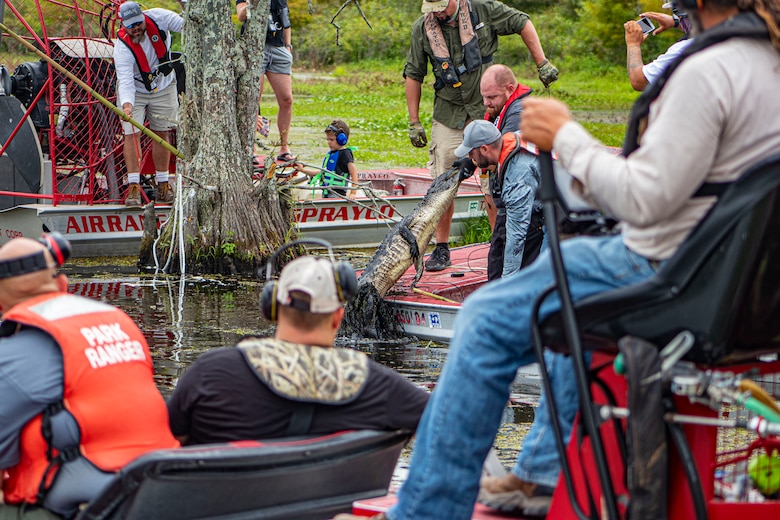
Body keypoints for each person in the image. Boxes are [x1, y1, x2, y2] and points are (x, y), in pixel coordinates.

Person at [336, 0, 780, 516]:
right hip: (743, 294)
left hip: (674, 277)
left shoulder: (707, 70)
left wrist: (566, 137)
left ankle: (426, 509)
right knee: (568, 288)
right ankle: (544, 473)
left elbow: (643, 200)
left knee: (484, 317)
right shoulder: (765, 62)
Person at [0, 233, 178, 519]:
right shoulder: (120, 321)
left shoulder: (11, 357)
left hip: (92, 504)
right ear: (61, 283)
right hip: (162, 488)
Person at [167, 253, 430, 445]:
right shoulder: (378, 386)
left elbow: (164, 444)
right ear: (338, 317)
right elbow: (453, 426)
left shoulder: (210, 373)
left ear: (272, 309)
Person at [405, 0, 558, 272]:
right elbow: (413, 73)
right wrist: (414, 121)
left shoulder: (483, 9)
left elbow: (523, 21)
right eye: (433, 8)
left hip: (484, 108)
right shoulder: (422, 27)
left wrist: (542, 62)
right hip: (448, 110)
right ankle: (441, 248)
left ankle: (497, 240)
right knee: (443, 180)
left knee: (495, 180)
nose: (438, 12)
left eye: (441, 6)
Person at [113, 1, 183, 208]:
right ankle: (133, 187)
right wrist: (127, 106)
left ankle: (163, 185)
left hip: (164, 86)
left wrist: (186, 6)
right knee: (131, 133)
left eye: (138, 23)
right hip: (135, 90)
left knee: (162, 132)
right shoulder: (122, 49)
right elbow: (125, 81)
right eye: (131, 26)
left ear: (143, 17)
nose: (136, 28)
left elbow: (187, 25)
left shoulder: (160, 17)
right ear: (123, 25)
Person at [455, 120, 543, 281]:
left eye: (471, 153)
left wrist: (507, 283)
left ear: (484, 148)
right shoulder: (510, 139)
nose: (470, 157)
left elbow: (517, 236)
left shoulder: (517, 177)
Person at [478, 65, 543, 279]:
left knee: (511, 266)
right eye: (484, 97)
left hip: (532, 208)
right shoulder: (498, 109)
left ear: (510, 88)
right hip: (512, 203)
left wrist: (508, 280)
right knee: (496, 261)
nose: (487, 103)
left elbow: (498, 152)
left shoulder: (518, 113)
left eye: (491, 97)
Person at [236, 0, 294, 162]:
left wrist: (288, 47)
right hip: (256, 47)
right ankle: (251, 149)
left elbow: (286, 21)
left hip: (278, 47)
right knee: (253, 100)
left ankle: (284, 148)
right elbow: (241, 16)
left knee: (287, 99)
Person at [625, 3, 693, 91]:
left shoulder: (683, 49)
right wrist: (675, 22)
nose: (678, 18)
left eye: (679, 14)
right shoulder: (714, 39)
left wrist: (633, 45)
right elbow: (702, 28)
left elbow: (639, 81)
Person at [292, 120, 359, 200]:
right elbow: (322, 173)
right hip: (326, 193)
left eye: (331, 140)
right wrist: (302, 170)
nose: (328, 142)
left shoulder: (345, 154)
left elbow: (354, 172)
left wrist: (353, 193)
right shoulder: (331, 154)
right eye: (327, 139)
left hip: (337, 195)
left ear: (342, 139)